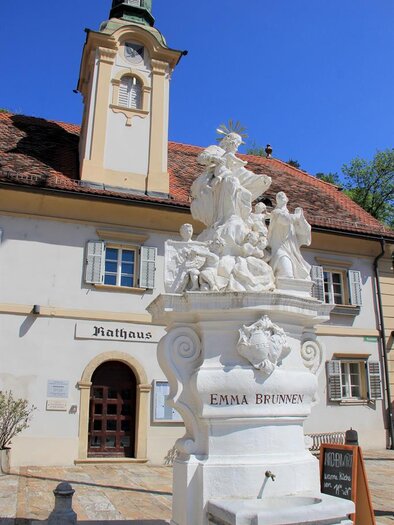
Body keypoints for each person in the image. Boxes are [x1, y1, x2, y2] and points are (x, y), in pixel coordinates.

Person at [267, 192, 311, 280]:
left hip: (292, 251)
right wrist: (298, 215)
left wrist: (301, 219)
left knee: (299, 274)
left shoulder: (291, 217)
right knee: (287, 273)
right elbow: (285, 220)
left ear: (287, 199)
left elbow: (304, 230)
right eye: (278, 196)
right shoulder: (276, 213)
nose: (280, 196)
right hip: (279, 250)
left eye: (282, 195)